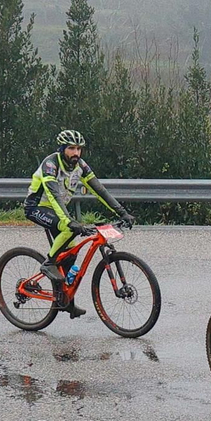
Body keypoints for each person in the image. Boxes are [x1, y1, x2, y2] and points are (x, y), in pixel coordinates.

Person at [23, 129, 132, 317]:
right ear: (62, 148)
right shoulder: (50, 165)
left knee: (70, 254)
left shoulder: (80, 165)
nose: (76, 153)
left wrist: (122, 212)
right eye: (71, 148)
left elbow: (100, 190)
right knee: (68, 229)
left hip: (58, 210)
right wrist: (69, 221)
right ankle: (49, 264)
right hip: (37, 207)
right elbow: (53, 196)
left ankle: (66, 301)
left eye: (79, 149)